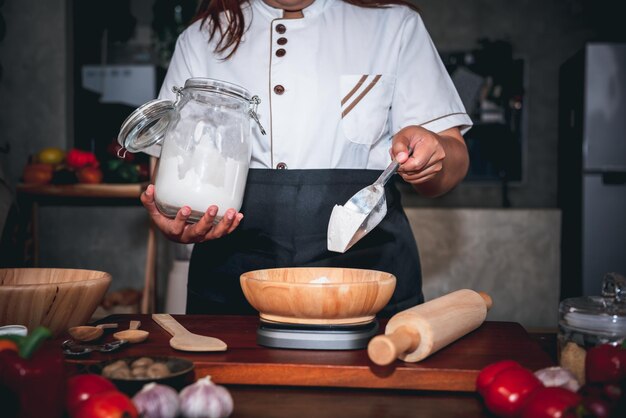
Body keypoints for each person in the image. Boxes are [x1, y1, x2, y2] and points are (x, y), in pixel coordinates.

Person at [140, 0, 472, 315]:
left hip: (367, 278)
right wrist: (176, 219)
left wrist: (433, 156)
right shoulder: (201, 39)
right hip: (233, 278)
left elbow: (453, 156)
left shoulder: (395, 25)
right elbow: (167, 174)